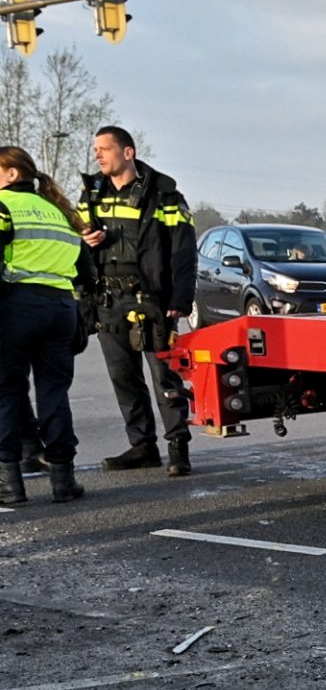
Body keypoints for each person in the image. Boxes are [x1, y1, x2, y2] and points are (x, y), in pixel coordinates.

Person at [79, 125, 197, 477]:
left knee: (165, 378)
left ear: (127, 152)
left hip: (152, 299)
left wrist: (180, 298)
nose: (97, 155)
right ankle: (142, 446)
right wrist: (86, 241)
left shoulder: (165, 194)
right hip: (108, 298)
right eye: (95, 150)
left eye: (104, 149)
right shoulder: (91, 193)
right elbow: (77, 239)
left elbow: (184, 251)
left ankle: (178, 447)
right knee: (124, 378)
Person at [0, 146, 88, 503]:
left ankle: (9, 485)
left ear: (12, 173)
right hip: (61, 309)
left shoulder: (3, 206)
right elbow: (87, 271)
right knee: (55, 394)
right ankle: (63, 481)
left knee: (6, 393)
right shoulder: (59, 210)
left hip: (17, 306)